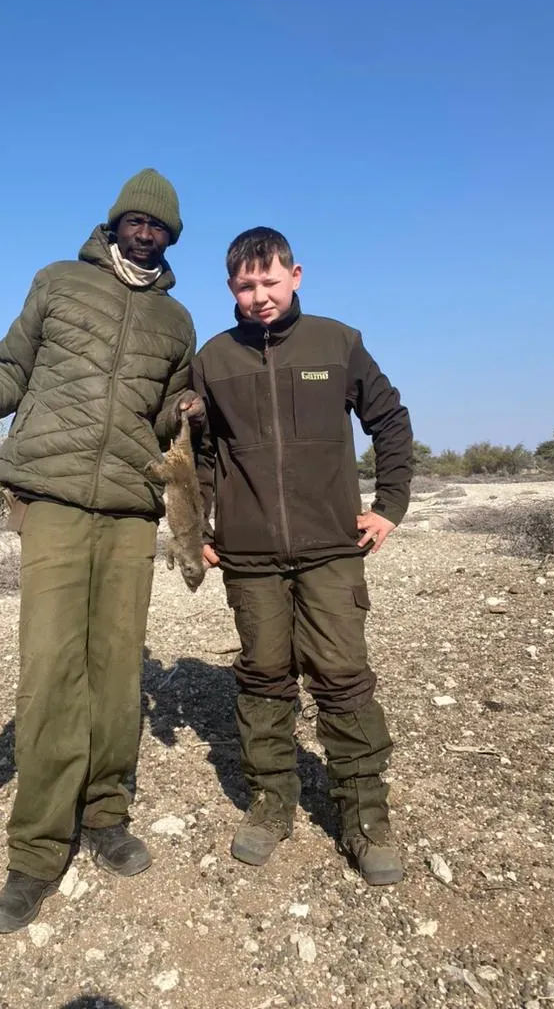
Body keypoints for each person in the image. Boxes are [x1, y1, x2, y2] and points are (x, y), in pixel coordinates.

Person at [0, 169, 204, 932]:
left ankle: (106, 813)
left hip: (130, 509)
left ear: (171, 238)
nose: (146, 231)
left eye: (159, 225)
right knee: (50, 668)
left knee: (117, 670)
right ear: (114, 224)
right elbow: (12, 370)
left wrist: (189, 408)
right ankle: (37, 851)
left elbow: (166, 422)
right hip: (50, 498)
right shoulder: (57, 283)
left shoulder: (177, 321)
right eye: (135, 220)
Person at [191, 226, 412, 885]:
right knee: (263, 677)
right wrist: (197, 527)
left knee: (343, 678)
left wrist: (390, 505)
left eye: (269, 280)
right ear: (231, 288)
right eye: (245, 285)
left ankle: (365, 817)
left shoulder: (337, 342)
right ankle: (270, 803)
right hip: (249, 553)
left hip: (331, 548)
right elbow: (200, 455)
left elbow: (389, 420)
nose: (259, 295)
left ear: (295, 275)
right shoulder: (212, 359)